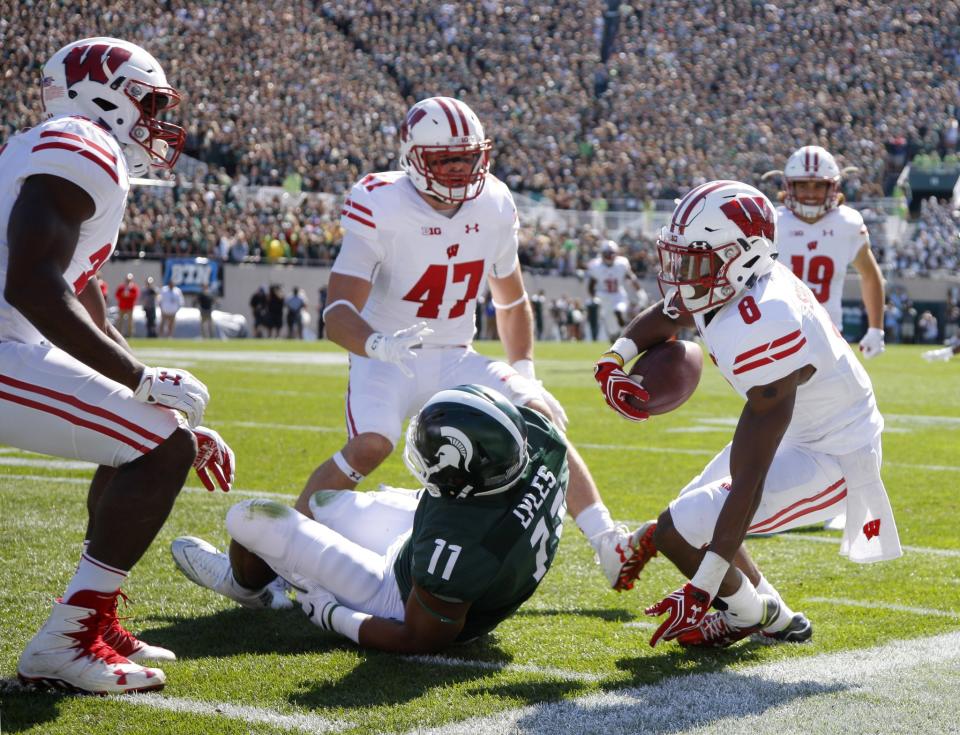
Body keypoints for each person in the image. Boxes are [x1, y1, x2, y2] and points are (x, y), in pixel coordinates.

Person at [285, 97, 647, 593]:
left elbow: (512, 299)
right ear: (413, 158)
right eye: (444, 160)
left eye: (467, 157)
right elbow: (337, 313)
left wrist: (525, 371)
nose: (459, 171)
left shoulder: (495, 201)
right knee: (371, 445)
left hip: (457, 356)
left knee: (540, 419)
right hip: (388, 358)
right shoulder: (380, 202)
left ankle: (608, 541)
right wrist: (378, 344)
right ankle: (283, 562)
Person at [1, 37, 234, 695]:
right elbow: (31, 282)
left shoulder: (54, 146)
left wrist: (145, 393)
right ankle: (67, 640)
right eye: (150, 101)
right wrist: (140, 384)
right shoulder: (82, 143)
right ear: (103, 94)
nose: (158, 119)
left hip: (11, 337)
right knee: (160, 447)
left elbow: (80, 292)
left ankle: (91, 618)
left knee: (154, 434)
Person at [593, 181, 901, 649]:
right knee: (693, 514)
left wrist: (703, 586)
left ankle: (751, 614)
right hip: (798, 431)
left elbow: (749, 482)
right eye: (678, 258)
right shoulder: (732, 278)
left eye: (693, 262)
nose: (681, 275)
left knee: (681, 530)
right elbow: (671, 310)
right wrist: (615, 358)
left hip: (833, 454)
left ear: (744, 256)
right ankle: (776, 618)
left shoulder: (767, 321)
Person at [172, 385, 567, 653]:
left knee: (251, 518)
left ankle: (244, 588)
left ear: (461, 475)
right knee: (324, 503)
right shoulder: (538, 438)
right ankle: (280, 570)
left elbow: (418, 638)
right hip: (456, 537)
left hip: (404, 597)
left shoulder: (458, 549)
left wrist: (335, 617)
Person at [770, 146, 886, 358]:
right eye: (803, 185)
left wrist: (876, 328)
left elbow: (870, 274)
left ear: (833, 187)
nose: (811, 193)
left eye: (819, 186)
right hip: (776, 333)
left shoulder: (847, 223)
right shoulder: (771, 223)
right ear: (789, 186)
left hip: (829, 334)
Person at [586, 239, 642, 340]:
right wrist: (593, 297)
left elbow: (631, 277)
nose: (610, 256)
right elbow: (591, 285)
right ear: (602, 254)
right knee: (611, 324)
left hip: (618, 294)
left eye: (612, 253)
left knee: (618, 311)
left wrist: (640, 291)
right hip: (604, 295)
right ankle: (615, 336)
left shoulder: (621, 263)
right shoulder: (596, 266)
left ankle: (624, 333)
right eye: (607, 253)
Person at [114, 273, 139, 339]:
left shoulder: (133, 287)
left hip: (130, 307)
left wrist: (128, 295)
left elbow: (135, 296)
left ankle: (130, 334)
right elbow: (117, 295)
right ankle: (118, 334)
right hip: (122, 306)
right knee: (119, 321)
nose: (128, 281)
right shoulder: (122, 287)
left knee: (130, 322)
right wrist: (123, 295)